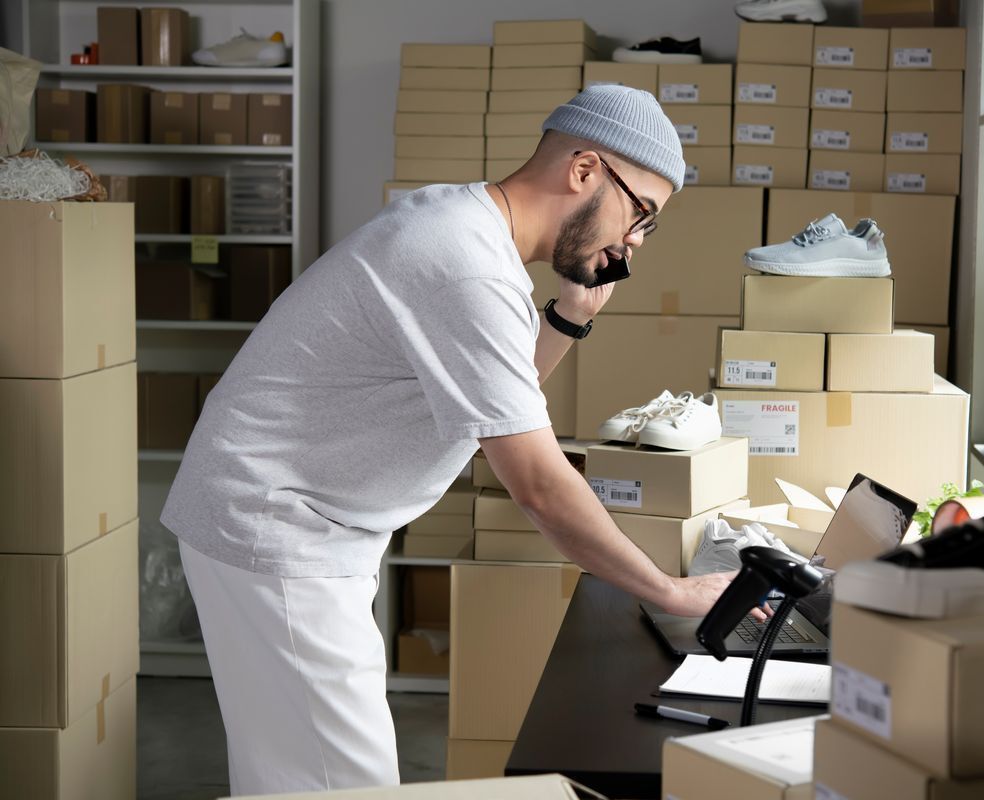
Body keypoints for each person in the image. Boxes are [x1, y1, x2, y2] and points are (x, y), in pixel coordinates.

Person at [160, 85, 742, 795]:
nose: (632, 246)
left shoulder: (466, 227)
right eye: (640, 215)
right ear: (584, 170)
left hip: (308, 523)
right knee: (341, 783)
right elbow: (536, 481)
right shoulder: (465, 265)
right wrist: (670, 591)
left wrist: (567, 317)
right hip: (276, 526)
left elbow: (496, 404)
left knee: (302, 769)